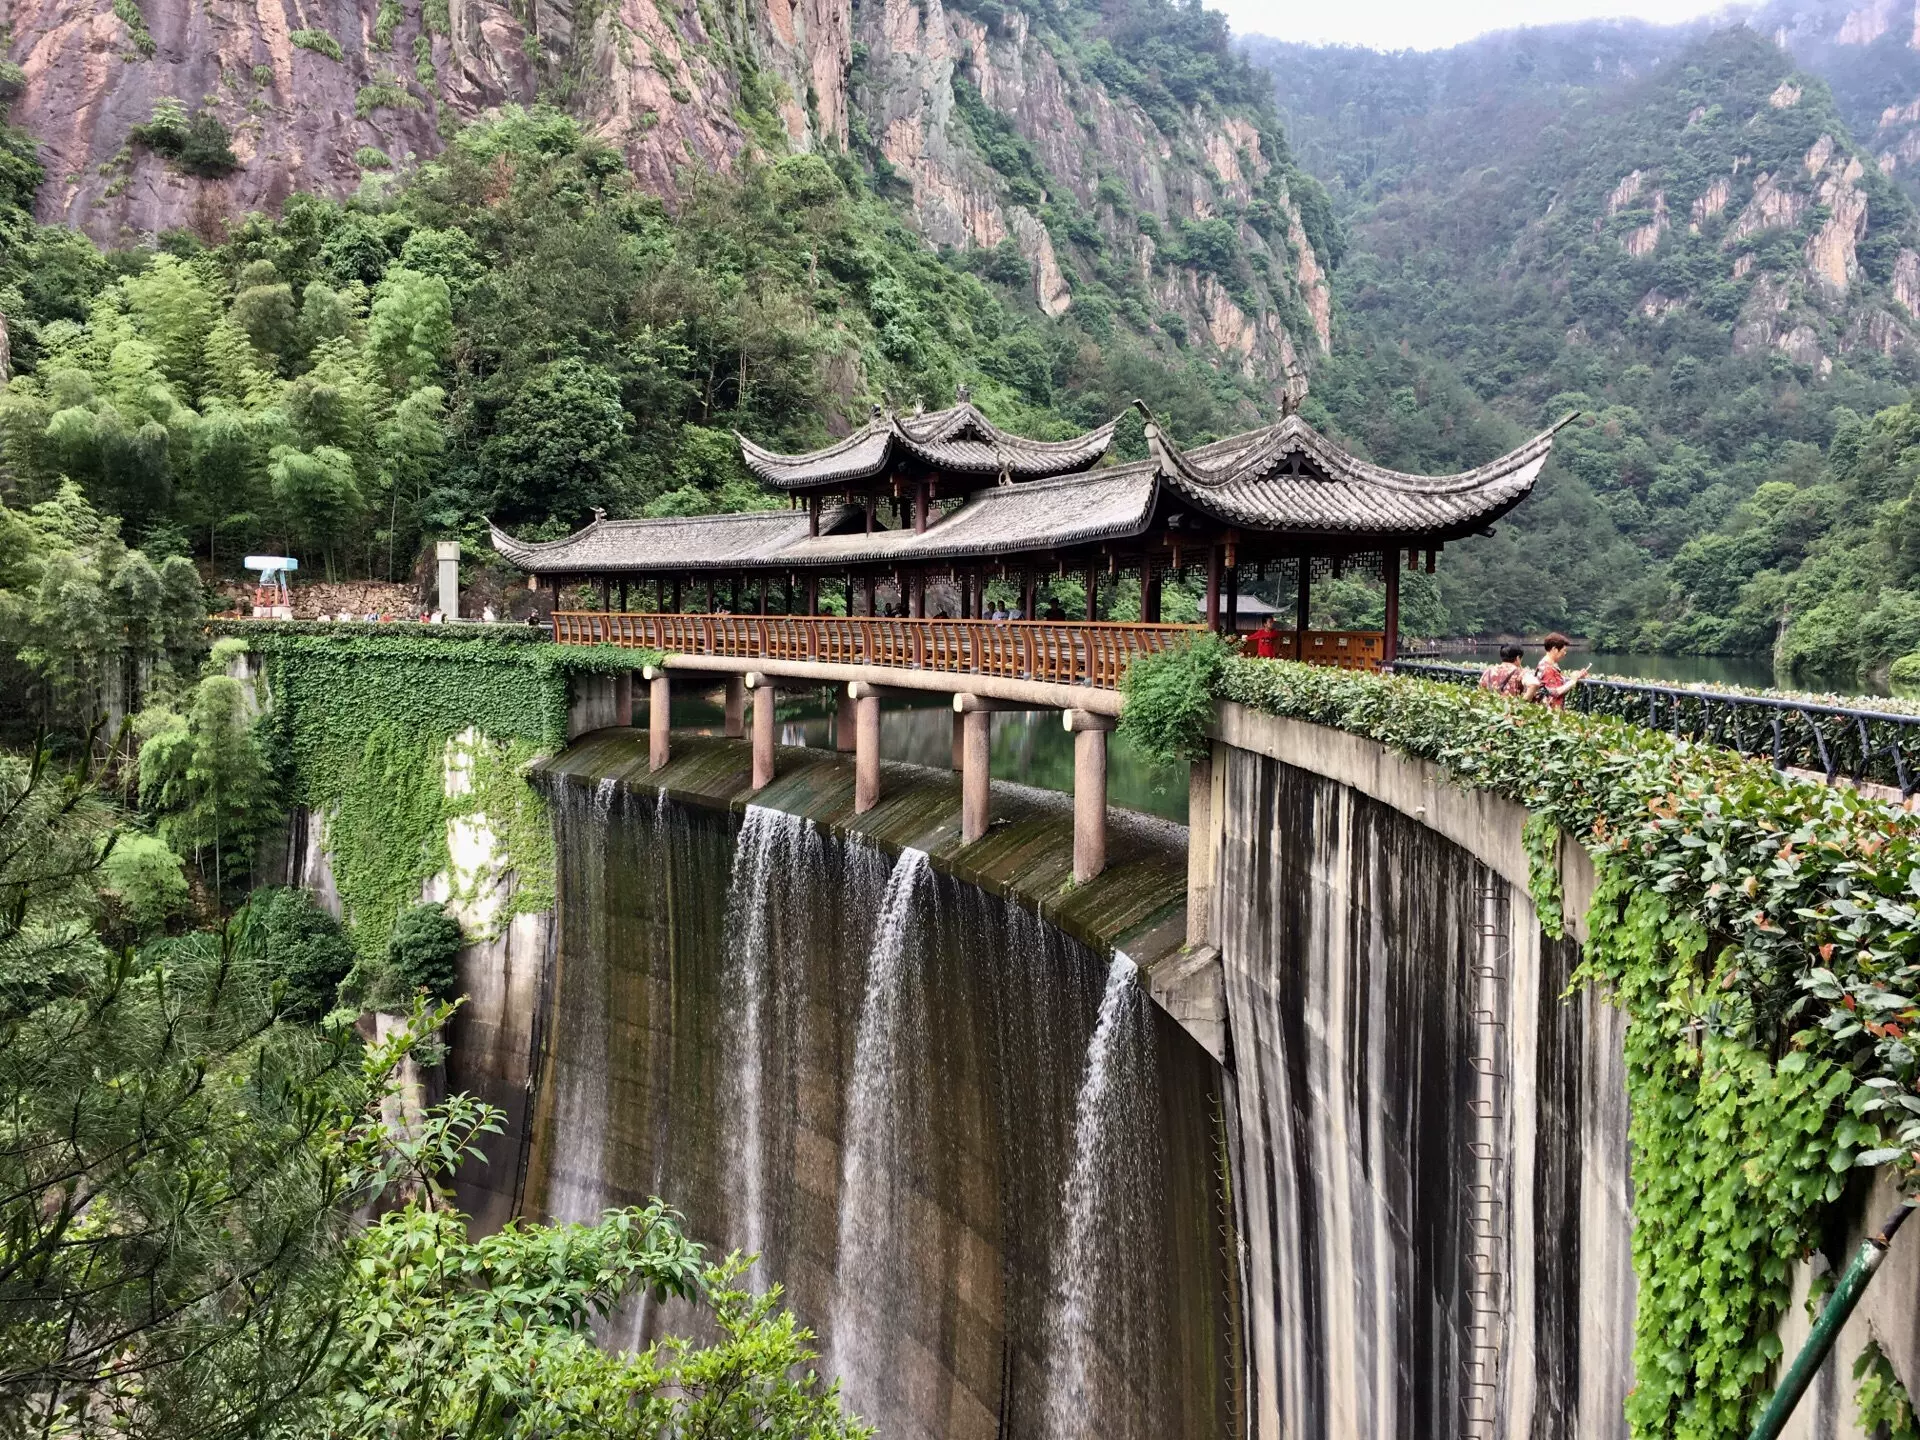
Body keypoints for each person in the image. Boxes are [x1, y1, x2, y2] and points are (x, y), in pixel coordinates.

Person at [1532, 633, 1588, 710]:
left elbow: (1555, 684)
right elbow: (1555, 692)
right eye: (1564, 650)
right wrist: (1572, 681)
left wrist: (1577, 675)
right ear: (1554, 649)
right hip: (1550, 714)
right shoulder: (1547, 668)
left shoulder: (1550, 665)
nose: (1565, 653)